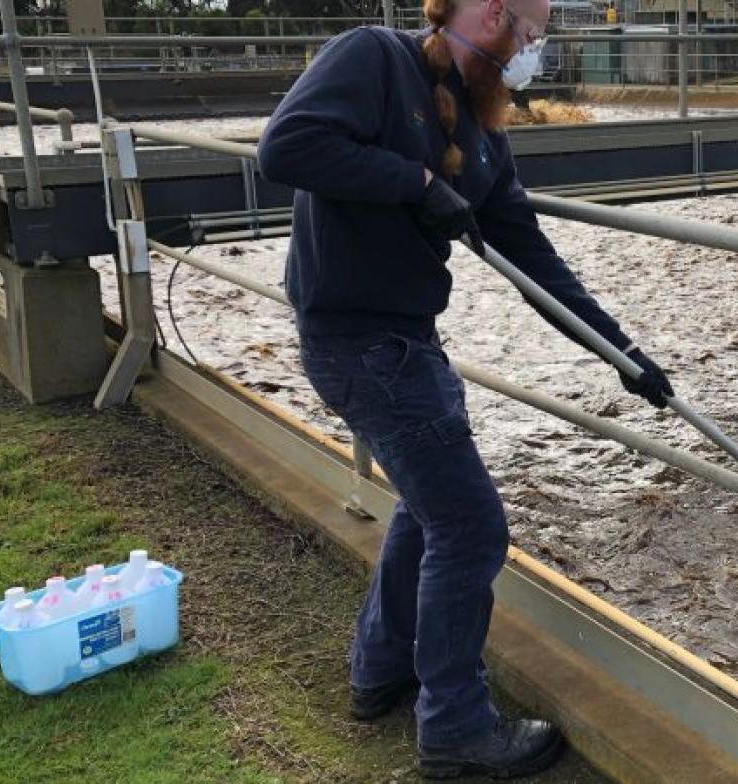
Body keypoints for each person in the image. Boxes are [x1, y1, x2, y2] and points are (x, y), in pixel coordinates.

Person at [257, 0, 674, 778]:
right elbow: (287, 147)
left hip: (410, 344)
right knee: (471, 528)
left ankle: (379, 671)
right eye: (536, 33)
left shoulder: (484, 134)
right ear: (491, 16)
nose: (535, 54)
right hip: (359, 343)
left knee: (429, 508)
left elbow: (532, 258)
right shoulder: (374, 58)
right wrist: (412, 181)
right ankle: (454, 729)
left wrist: (623, 352)